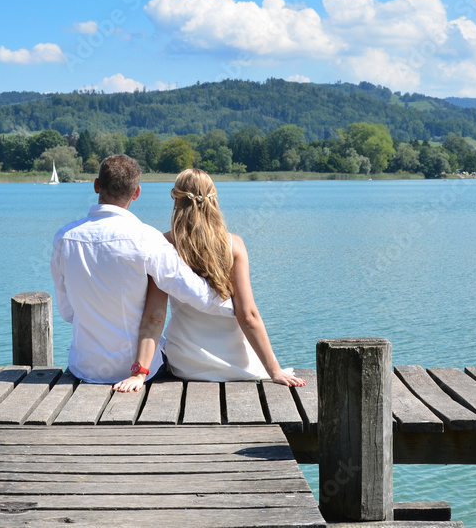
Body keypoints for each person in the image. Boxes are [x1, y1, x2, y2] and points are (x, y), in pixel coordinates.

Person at [114, 168, 304, 391]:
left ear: (176, 200)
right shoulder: (233, 245)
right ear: (214, 199)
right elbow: (248, 316)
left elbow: (154, 318)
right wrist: (275, 371)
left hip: (186, 365)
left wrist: (139, 374)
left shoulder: (164, 245)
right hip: (237, 365)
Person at [51, 155, 235, 384]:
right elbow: (194, 292)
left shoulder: (64, 238)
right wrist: (235, 308)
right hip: (140, 372)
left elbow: (67, 312)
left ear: (97, 185)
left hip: (83, 368)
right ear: (136, 192)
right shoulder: (148, 239)